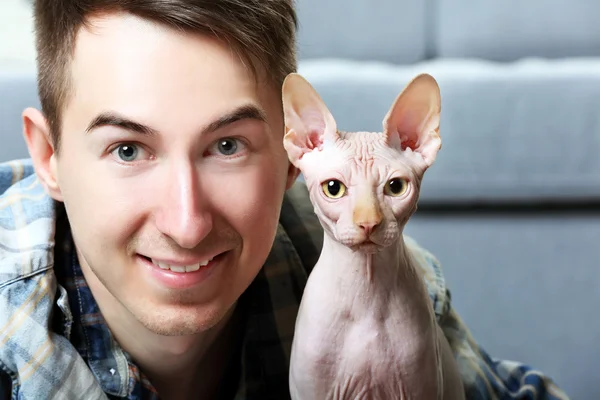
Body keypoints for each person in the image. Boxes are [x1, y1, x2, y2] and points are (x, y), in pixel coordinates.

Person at [0, 1, 570, 399]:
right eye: (128, 150)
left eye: (227, 146)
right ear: (50, 159)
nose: (187, 223)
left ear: (292, 156)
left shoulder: (369, 265)